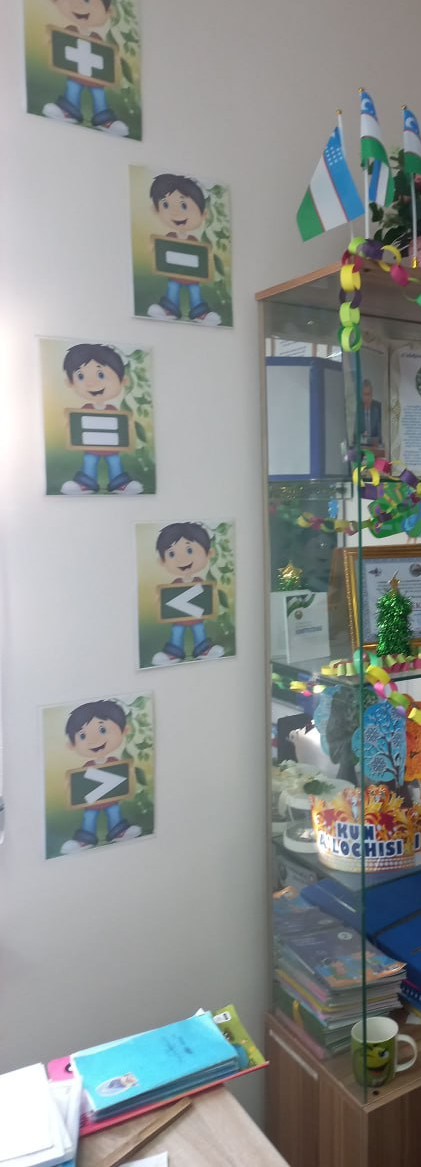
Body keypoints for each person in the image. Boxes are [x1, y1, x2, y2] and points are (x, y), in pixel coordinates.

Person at [41, 0, 129, 136]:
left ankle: (105, 120)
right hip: (76, 70)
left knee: (98, 93)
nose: (77, 5)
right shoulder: (69, 31)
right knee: (73, 87)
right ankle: (68, 111)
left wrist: (114, 58)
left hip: (95, 74)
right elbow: (59, 45)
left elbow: (107, 55)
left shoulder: (97, 39)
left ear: (108, 11)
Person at [60, 342, 143, 495]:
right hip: (91, 446)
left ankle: (119, 484)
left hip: (111, 447)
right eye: (81, 376)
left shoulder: (113, 411)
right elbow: (77, 427)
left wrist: (128, 427)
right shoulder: (84, 410)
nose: (92, 383)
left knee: (115, 461)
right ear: (70, 383)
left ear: (123, 381)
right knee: (90, 461)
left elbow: (121, 428)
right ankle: (86, 484)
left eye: (101, 375)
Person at [60, 699, 142, 853]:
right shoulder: (87, 767)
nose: (94, 740)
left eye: (103, 730)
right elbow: (81, 784)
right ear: (71, 745)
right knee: (89, 816)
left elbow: (123, 779)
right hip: (92, 801)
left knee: (114, 811)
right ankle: (85, 840)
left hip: (110, 798)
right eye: (83, 735)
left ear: (124, 730)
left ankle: (119, 832)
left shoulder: (115, 763)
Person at [145, 174, 221, 325]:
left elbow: (200, 257)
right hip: (174, 273)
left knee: (194, 291)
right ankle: (169, 310)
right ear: (156, 209)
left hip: (192, 275)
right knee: (172, 288)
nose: (176, 213)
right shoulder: (169, 237)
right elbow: (162, 252)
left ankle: (200, 313)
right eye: (166, 205)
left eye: (184, 206)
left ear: (203, 214)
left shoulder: (194, 241)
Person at [151, 522, 225, 665]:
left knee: (199, 630)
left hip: (196, 616)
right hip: (179, 617)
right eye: (172, 553)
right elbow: (167, 599)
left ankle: (203, 650)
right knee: (177, 632)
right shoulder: (174, 584)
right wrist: (160, 601)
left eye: (190, 550)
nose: (182, 559)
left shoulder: (200, 582)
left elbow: (207, 598)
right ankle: (174, 653)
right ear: (162, 561)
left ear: (209, 553)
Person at [359, 379, 383, 446]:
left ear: (372, 394)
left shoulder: (378, 407)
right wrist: (363, 437)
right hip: (361, 448)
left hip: (375, 447)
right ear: (361, 395)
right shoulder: (357, 408)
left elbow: (380, 437)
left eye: (368, 394)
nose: (367, 398)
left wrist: (365, 440)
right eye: (364, 394)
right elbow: (355, 437)